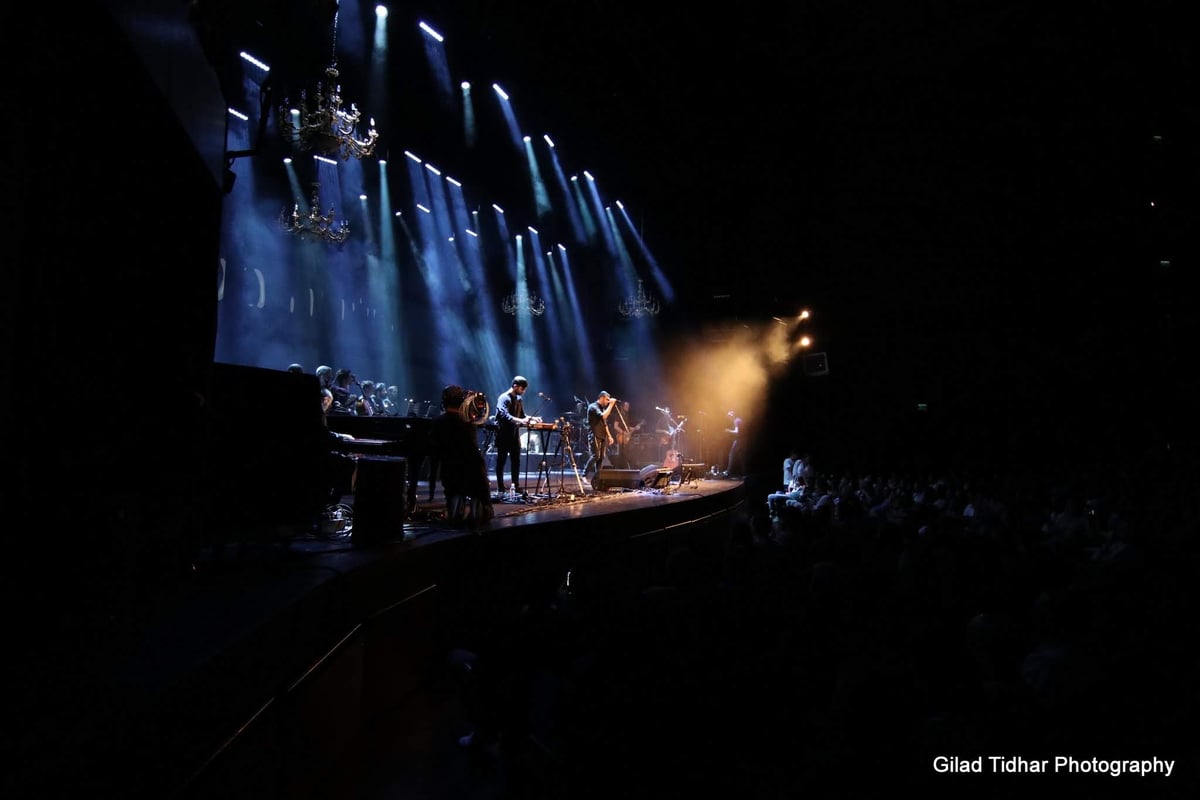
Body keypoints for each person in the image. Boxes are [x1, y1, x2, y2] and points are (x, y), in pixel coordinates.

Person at [429, 384, 494, 526]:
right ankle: (478, 514)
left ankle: (456, 515)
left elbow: (435, 447)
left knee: (454, 489)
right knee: (478, 488)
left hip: (450, 468)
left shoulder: (438, 422)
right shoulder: (468, 421)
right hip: (472, 466)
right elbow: (479, 416)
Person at [494, 375, 534, 497]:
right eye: (522, 388)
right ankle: (501, 487)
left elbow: (522, 416)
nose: (523, 391)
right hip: (503, 434)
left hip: (514, 434)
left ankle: (515, 485)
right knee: (501, 461)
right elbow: (505, 415)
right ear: (515, 386)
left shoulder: (518, 399)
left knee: (516, 461)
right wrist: (521, 421)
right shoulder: (504, 398)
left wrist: (531, 418)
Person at [581, 390, 618, 484]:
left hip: (602, 435)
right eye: (607, 399)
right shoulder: (593, 407)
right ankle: (584, 475)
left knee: (601, 457)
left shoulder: (601, 408)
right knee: (595, 456)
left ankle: (598, 477)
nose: (608, 402)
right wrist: (611, 405)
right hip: (594, 435)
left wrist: (609, 436)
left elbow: (604, 424)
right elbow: (604, 416)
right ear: (601, 398)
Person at [723, 410, 744, 477]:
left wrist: (728, 431)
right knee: (740, 456)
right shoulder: (739, 420)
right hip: (742, 439)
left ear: (732, 415)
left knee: (731, 455)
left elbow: (737, 432)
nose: (729, 418)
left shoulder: (736, 421)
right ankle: (743, 472)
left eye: (729, 416)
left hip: (739, 440)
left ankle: (728, 472)